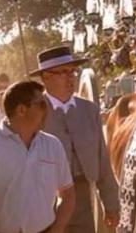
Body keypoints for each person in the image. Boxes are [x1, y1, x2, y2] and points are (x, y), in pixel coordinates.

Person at [31, 46, 119, 233]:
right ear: (46, 77)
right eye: (63, 73)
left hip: (83, 198)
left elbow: (102, 161)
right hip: (45, 199)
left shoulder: (89, 110)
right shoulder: (33, 113)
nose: (71, 77)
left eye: (72, 71)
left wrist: (111, 203)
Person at [0, 80, 75, 233]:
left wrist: (57, 229)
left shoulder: (53, 145)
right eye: (42, 104)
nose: (48, 110)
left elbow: (68, 194)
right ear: (21, 110)